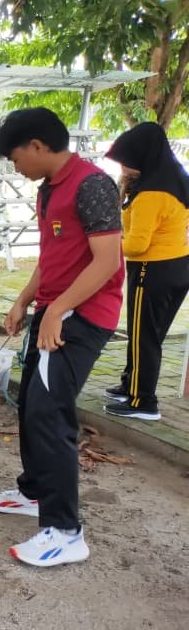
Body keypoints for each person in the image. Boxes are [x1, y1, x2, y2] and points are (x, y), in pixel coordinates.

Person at [0, 107, 123, 568]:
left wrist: (58, 310)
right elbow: (53, 256)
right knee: (30, 404)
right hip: (54, 311)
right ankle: (35, 492)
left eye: (15, 157)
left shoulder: (92, 185)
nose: (15, 167)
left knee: (50, 413)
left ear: (38, 146)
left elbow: (107, 261)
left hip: (83, 316)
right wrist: (24, 300)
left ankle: (65, 531)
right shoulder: (49, 190)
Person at [102, 122, 189, 421]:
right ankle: (131, 385)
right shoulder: (176, 179)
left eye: (126, 160)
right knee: (150, 335)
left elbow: (137, 245)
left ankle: (142, 402)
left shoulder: (152, 193)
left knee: (143, 337)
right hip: (178, 266)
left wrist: (104, 244)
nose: (123, 167)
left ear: (143, 156)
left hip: (151, 270)